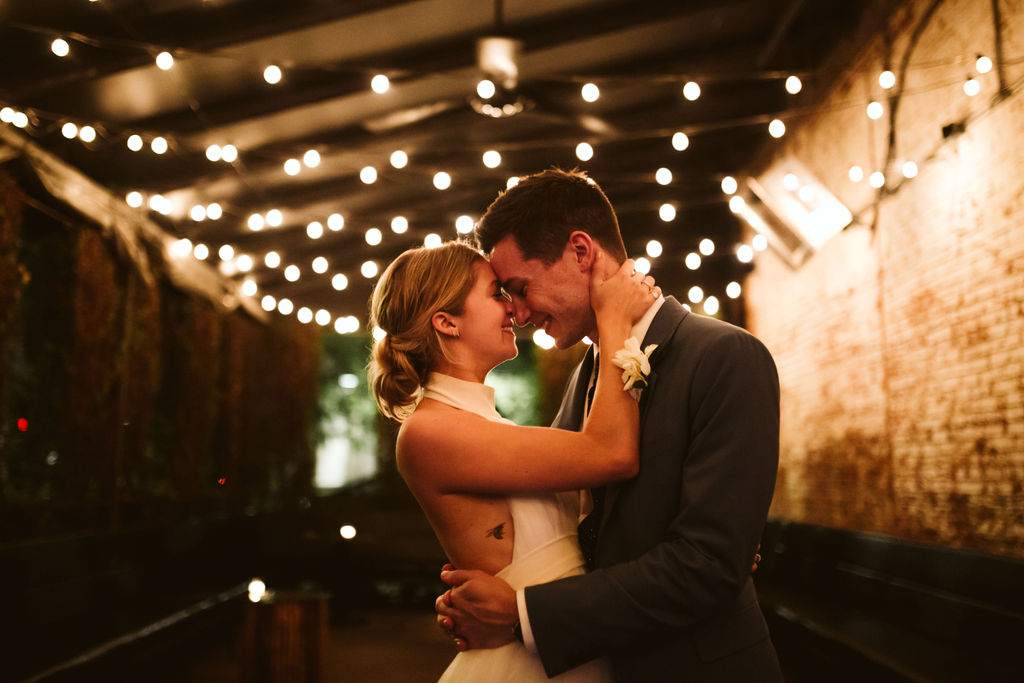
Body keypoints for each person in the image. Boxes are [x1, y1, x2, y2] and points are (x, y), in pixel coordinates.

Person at [436, 168, 784, 681]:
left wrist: (524, 614)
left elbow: (707, 566)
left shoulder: (726, 356)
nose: (521, 314)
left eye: (521, 287)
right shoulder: (588, 376)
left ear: (581, 251)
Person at [368, 239, 661, 681]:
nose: (514, 310)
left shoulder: (482, 421)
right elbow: (610, 453)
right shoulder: (429, 431)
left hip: (562, 641)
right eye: (495, 293)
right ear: (447, 322)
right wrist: (614, 318)